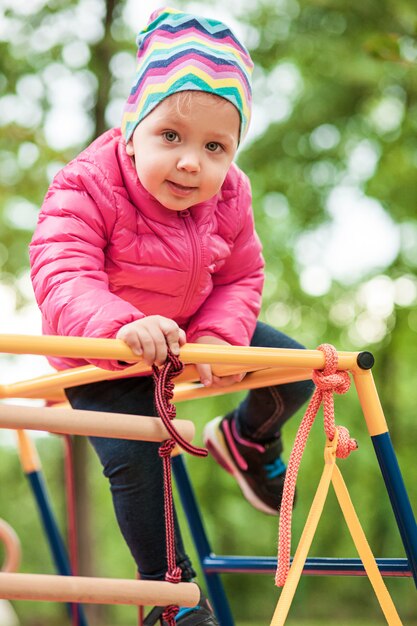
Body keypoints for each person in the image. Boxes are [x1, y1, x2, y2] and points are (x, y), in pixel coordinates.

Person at [29, 7, 314, 625]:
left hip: (190, 334)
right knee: (137, 454)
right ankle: (169, 600)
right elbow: (62, 272)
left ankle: (247, 438)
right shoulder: (85, 184)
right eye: (171, 138)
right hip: (100, 353)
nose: (192, 162)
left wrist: (220, 337)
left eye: (216, 147)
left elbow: (240, 276)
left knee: (294, 372)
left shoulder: (230, 194)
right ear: (132, 126)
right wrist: (118, 328)